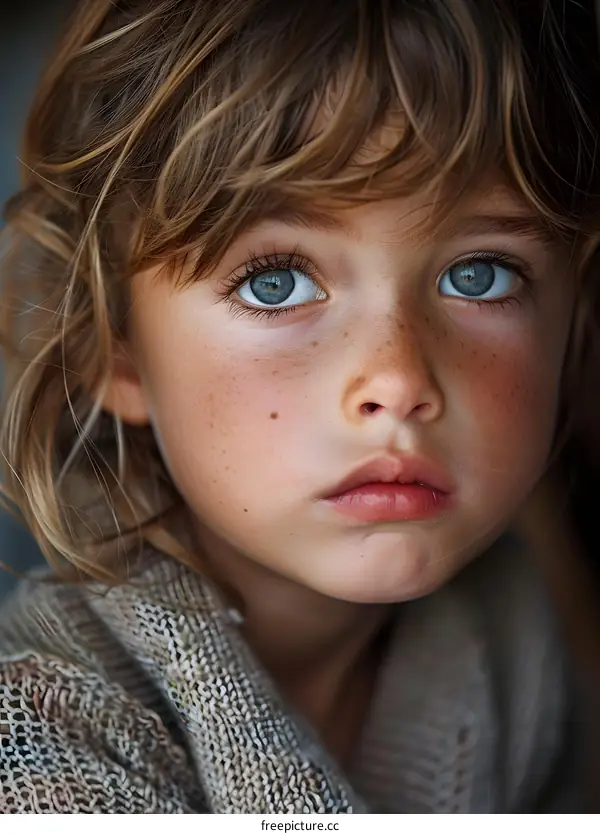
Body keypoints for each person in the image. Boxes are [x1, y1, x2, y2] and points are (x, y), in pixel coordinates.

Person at [0, 0, 599, 814]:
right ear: (113, 347)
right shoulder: (37, 744)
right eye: (275, 282)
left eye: (479, 275)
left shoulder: (537, 662)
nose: (397, 379)